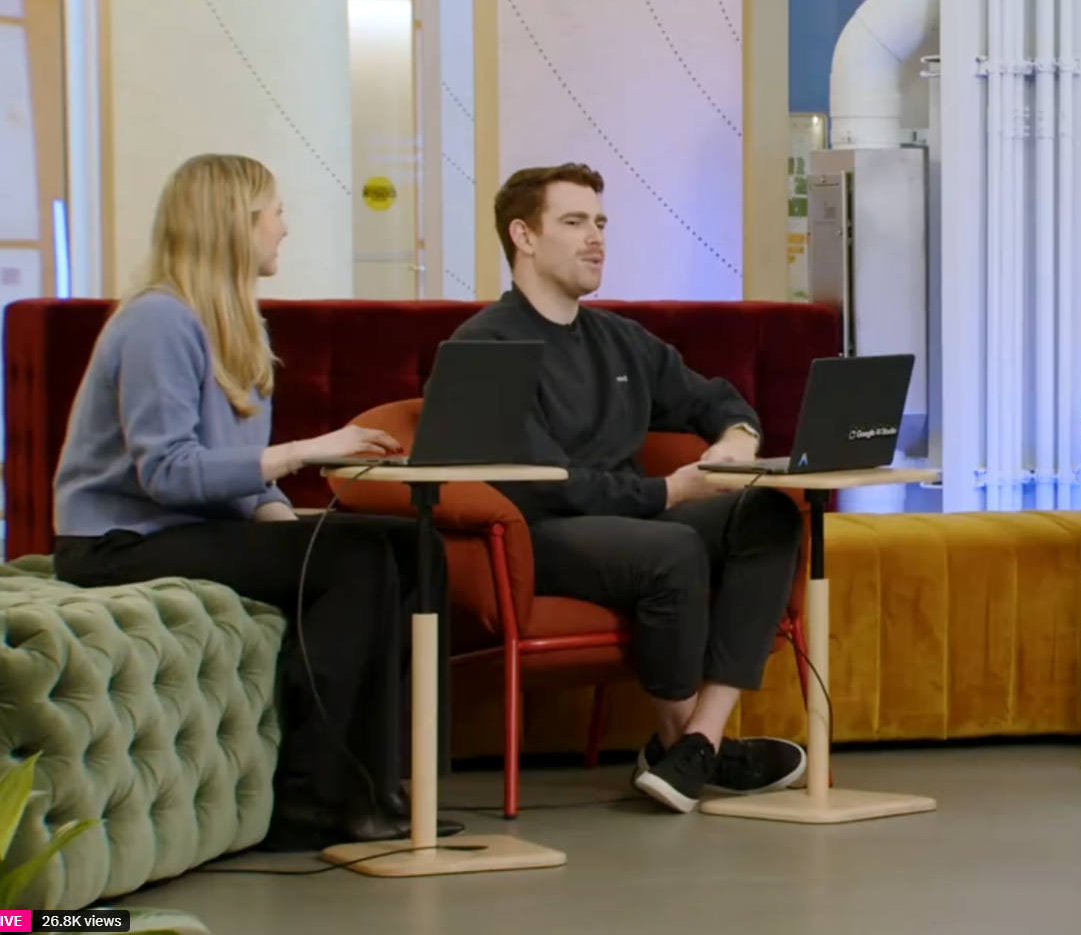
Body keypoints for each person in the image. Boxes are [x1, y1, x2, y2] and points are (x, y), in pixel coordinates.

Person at [51, 154, 454, 851]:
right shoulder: (157, 322)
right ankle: (312, 795)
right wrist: (305, 452)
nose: (284, 228)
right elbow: (168, 472)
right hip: (117, 541)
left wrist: (287, 527)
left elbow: (242, 474)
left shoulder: (233, 324)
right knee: (355, 560)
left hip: (187, 526)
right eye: (276, 212)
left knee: (413, 548)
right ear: (234, 224)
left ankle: (387, 782)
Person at [452, 163, 807, 814]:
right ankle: (681, 746)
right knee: (672, 551)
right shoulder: (485, 344)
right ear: (523, 236)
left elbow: (714, 398)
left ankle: (698, 741)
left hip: (630, 519)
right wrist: (668, 493)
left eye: (600, 222)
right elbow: (545, 484)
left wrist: (737, 439)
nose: (596, 238)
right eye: (574, 222)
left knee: (769, 514)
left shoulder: (620, 339)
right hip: (539, 536)